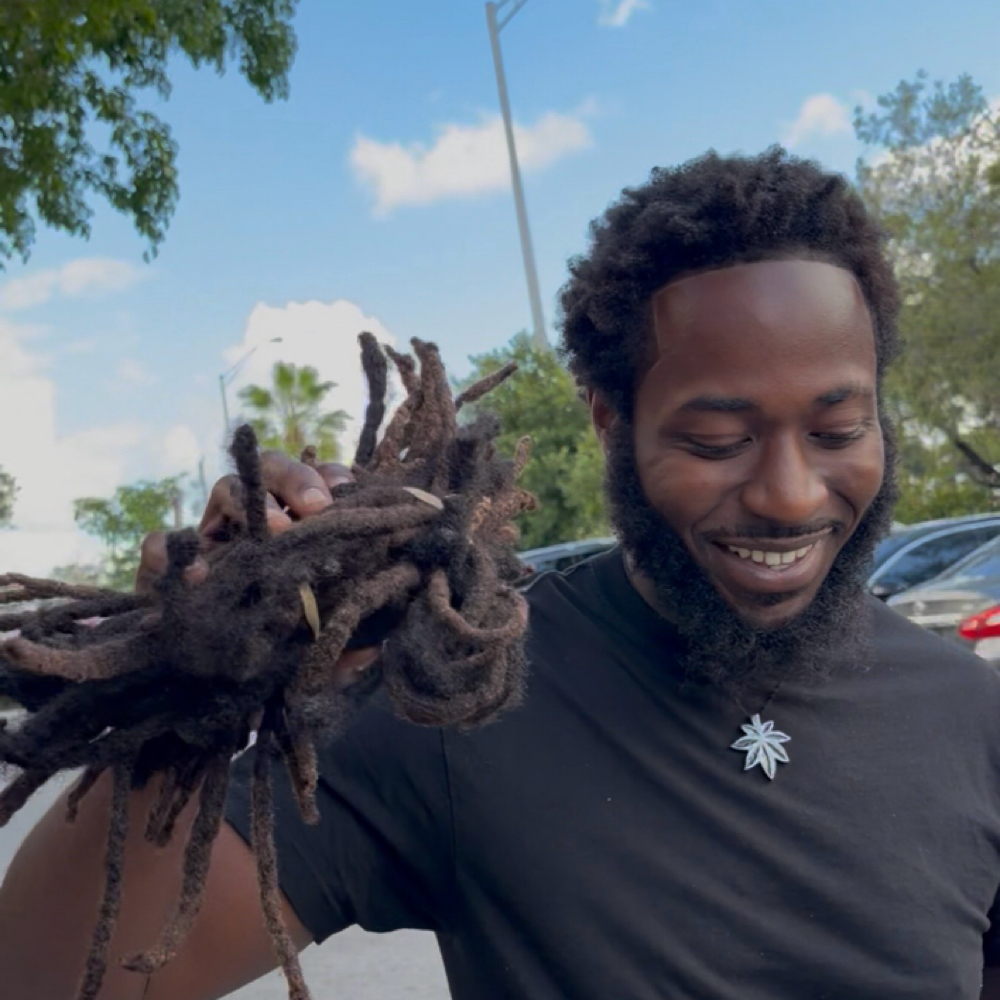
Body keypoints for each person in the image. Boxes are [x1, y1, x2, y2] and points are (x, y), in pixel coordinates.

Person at [3, 147, 1000, 1000]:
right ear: (611, 421)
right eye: (714, 438)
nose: (790, 493)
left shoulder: (973, 715)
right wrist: (197, 677)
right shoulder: (460, 703)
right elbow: (40, 972)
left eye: (836, 428)